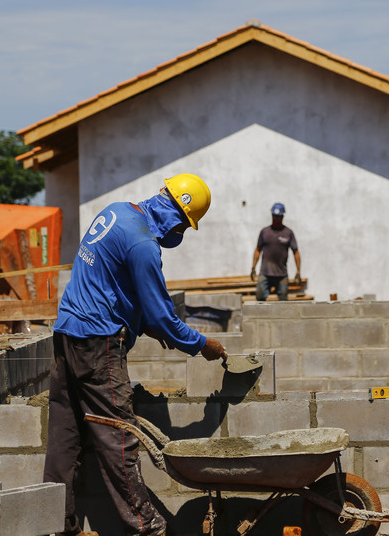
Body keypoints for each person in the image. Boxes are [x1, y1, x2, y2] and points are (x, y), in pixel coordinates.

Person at [44, 173, 227, 536]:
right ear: (178, 218)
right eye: (186, 227)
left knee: (65, 439)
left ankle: (57, 525)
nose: (182, 234)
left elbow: (111, 285)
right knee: (119, 440)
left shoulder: (115, 213)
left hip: (67, 335)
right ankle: (147, 528)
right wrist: (203, 345)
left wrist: (144, 324)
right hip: (99, 346)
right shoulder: (144, 244)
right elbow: (164, 315)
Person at [250, 202, 301, 301]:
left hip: (281, 275)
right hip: (265, 273)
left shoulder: (288, 233)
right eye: (274, 216)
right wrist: (253, 267)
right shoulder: (265, 232)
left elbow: (296, 253)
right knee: (260, 297)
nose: (276, 218)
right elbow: (258, 250)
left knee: (283, 302)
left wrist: (298, 271)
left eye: (278, 216)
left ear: (282, 217)